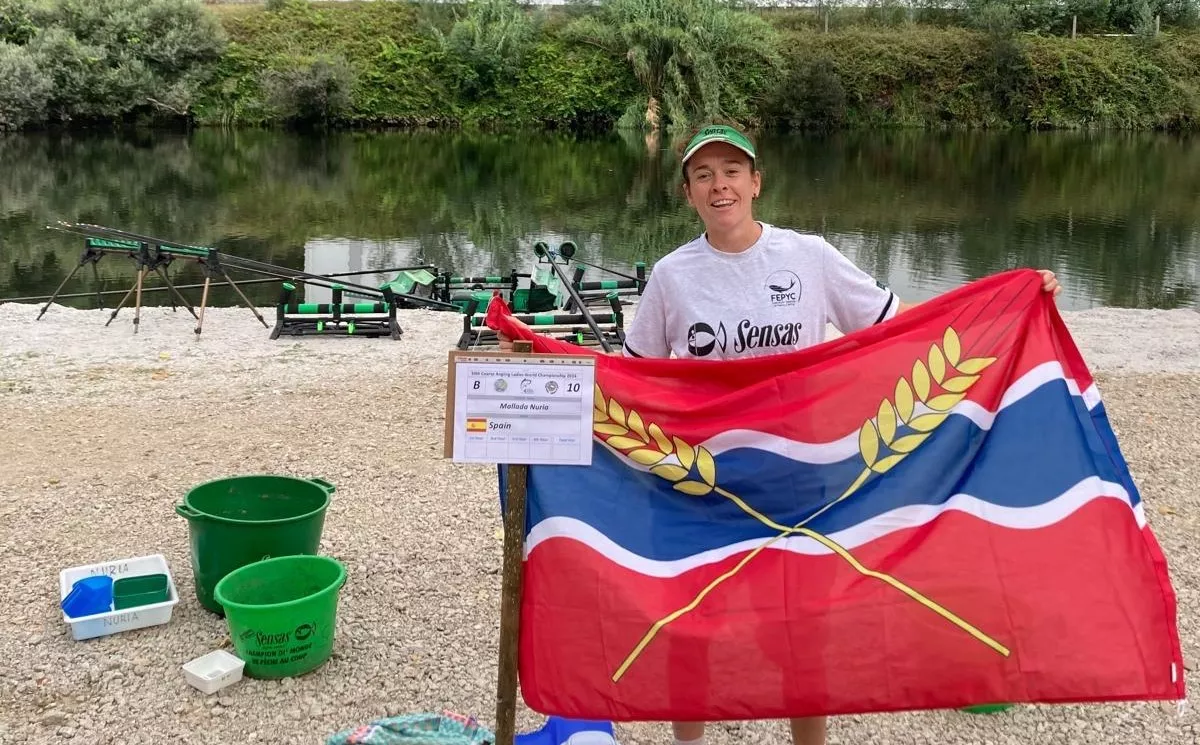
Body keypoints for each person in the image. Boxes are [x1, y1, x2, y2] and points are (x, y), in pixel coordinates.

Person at [500, 122, 1061, 744]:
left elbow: (903, 332)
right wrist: (531, 353)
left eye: (732, 172)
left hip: (800, 477)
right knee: (691, 626)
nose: (720, 186)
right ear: (688, 193)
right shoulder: (671, 275)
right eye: (704, 176)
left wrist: (1006, 304)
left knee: (800, 632)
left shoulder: (810, 258)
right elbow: (630, 379)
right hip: (699, 478)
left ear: (756, 182)